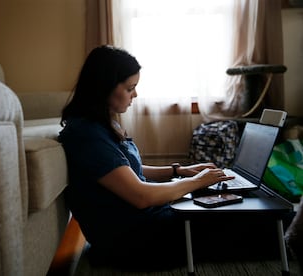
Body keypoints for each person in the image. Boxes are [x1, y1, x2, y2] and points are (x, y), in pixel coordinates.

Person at [58, 45, 293, 271]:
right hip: (134, 240)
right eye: (130, 88)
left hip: (141, 223)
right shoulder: (87, 135)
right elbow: (141, 196)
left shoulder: (99, 125)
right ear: (104, 87)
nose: (135, 94)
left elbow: (127, 171)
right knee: (258, 223)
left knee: (232, 207)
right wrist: (197, 181)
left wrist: (179, 171)